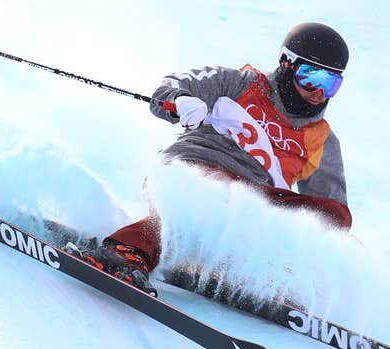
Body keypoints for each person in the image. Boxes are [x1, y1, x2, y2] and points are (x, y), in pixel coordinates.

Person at [67, 22, 353, 297]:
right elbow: (170, 87)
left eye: (331, 84)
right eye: (312, 77)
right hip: (195, 172)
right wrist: (180, 101)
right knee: (213, 197)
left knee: (335, 216)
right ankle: (123, 252)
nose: (318, 93)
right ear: (286, 63)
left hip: (252, 204)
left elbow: (330, 220)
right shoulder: (240, 84)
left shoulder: (322, 142)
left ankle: (277, 283)